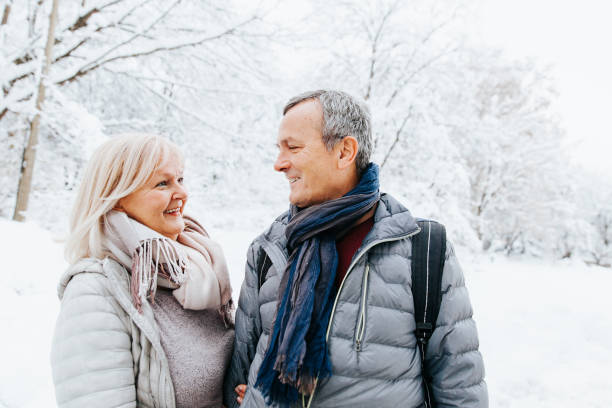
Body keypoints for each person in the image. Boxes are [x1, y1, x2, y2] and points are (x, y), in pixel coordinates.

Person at [224, 90, 488, 407]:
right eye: (279, 149)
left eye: (293, 148)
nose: (279, 164)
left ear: (345, 152)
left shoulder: (423, 250)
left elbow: (461, 390)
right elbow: (240, 373)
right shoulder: (270, 248)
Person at [51, 134, 234, 408]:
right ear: (118, 198)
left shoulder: (198, 271)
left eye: (180, 179)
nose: (182, 193)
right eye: (162, 183)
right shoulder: (95, 292)